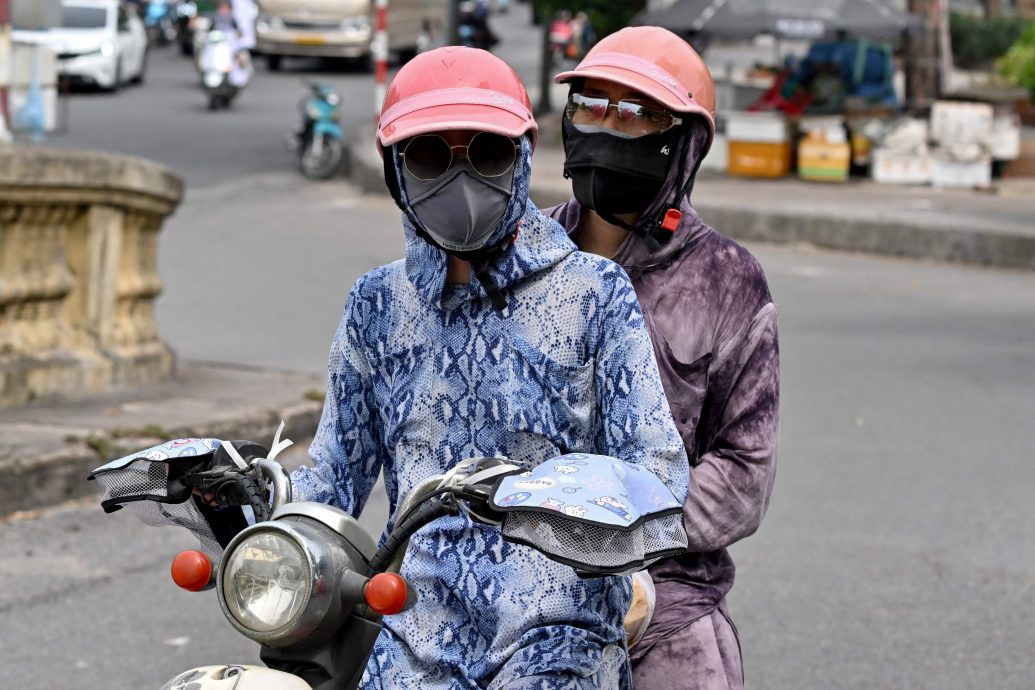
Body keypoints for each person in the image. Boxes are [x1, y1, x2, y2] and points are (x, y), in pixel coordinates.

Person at [289, 46, 690, 689]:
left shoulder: (595, 293)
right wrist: (250, 507)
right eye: (427, 154)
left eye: (488, 151)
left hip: (561, 631)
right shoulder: (377, 303)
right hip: (410, 627)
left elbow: (658, 470)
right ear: (395, 170)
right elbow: (335, 475)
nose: (460, 176)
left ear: (524, 155)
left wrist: (560, 502)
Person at [546, 26, 780, 689]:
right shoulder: (519, 256)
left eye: (638, 113)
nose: (609, 129)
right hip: (515, 586)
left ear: (686, 142)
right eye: (591, 105)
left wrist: (618, 544)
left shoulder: (728, 280)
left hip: (669, 600)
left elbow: (743, 475)